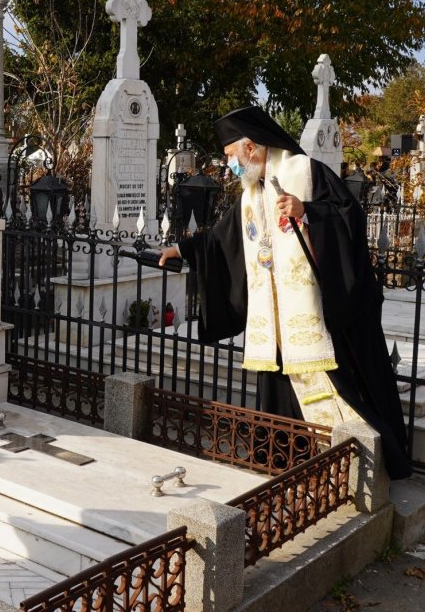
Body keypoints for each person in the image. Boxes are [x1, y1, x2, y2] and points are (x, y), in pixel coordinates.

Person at [159, 106, 411, 479]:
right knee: (277, 391)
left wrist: (306, 210)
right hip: (273, 322)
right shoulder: (252, 192)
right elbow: (223, 238)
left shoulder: (304, 171)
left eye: (231, 156)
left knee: (334, 387)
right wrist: (182, 250)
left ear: (252, 146)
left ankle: (355, 466)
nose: (231, 166)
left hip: (313, 318)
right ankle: (285, 463)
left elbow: (348, 217)